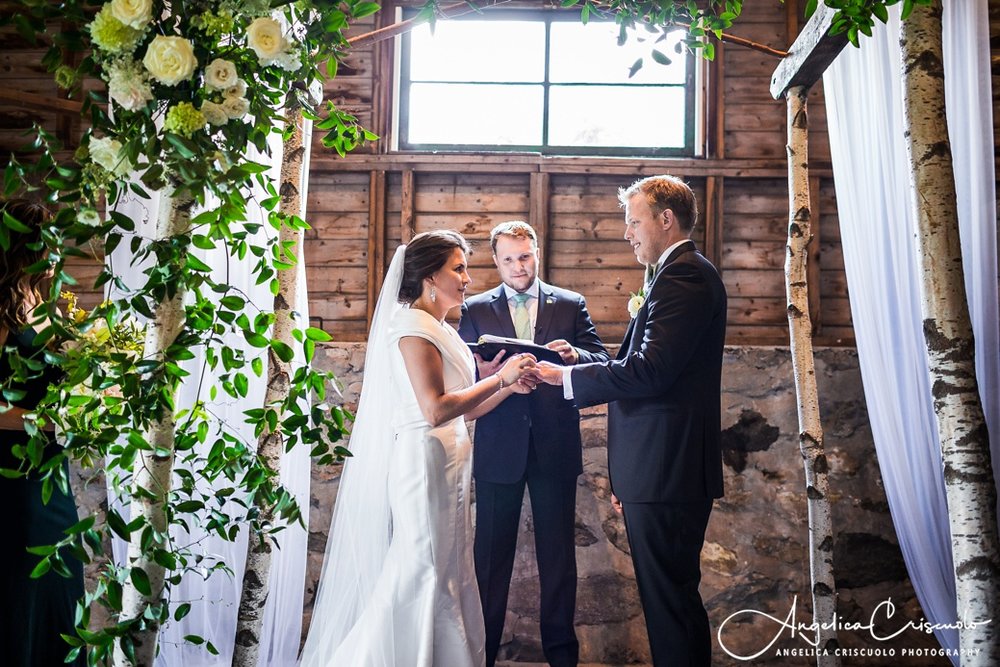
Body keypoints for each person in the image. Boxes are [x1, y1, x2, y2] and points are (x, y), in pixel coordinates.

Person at [300, 230, 538, 667]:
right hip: (424, 464)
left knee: (448, 570)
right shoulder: (411, 327)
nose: (468, 279)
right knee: (422, 571)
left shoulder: (438, 326)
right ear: (431, 276)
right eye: (459, 269)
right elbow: (434, 410)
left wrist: (508, 389)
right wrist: (499, 378)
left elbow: (463, 413)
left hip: (451, 462)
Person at [531, 176, 727, 667]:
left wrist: (567, 378)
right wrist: (580, 358)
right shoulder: (672, 274)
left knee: (670, 604)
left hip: (667, 469)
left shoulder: (684, 277)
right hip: (655, 470)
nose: (627, 232)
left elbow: (649, 372)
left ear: (665, 219)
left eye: (633, 221)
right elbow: (646, 364)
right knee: (668, 602)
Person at [457, 221, 608, 667]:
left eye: (524, 257)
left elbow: (602, 358)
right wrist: (486, 373)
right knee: (489, 559)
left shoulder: (570, 303)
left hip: (554, 445)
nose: (518, 267)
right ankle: (480, 655)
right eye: (507, 259)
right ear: (495, 260)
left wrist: (574, 357)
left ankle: (563, 657)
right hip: (499, 447)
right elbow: (463, 369)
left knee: (559, 560)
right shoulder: (477, 308)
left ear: (536, 252)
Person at [0, 199, 86, 667]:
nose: (57, 255)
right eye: (47, 244)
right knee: (21, 586)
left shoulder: (49, 310)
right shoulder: (2, 311)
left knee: (60, 582)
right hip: (12, 479)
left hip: (51, 475)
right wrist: (45, 421)